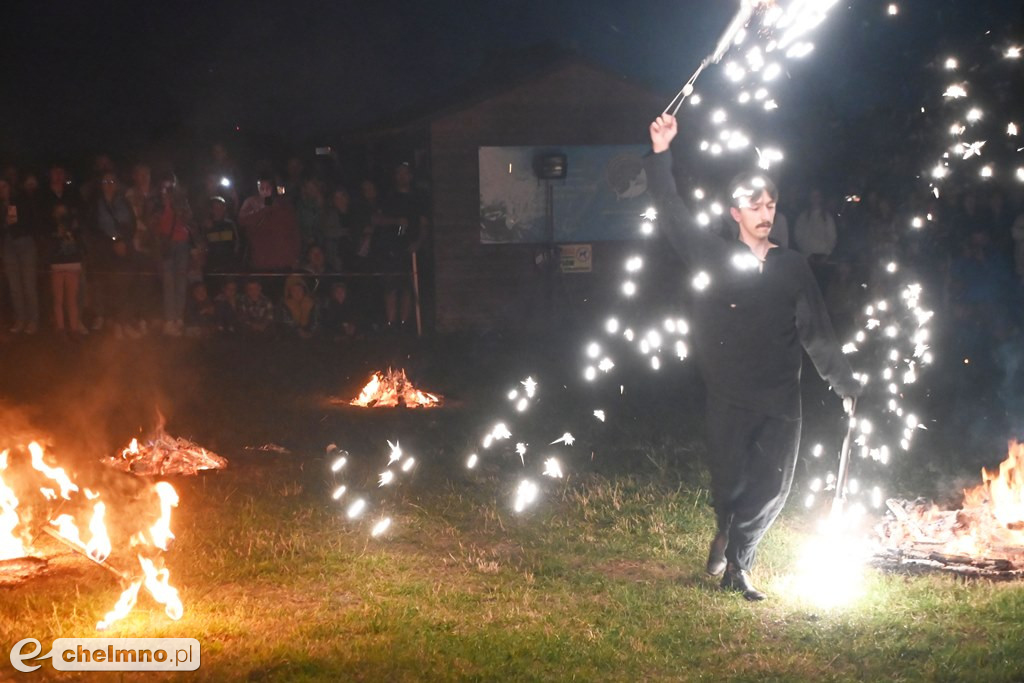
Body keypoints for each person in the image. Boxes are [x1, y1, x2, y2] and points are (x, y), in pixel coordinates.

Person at [645, 114, 860, 601]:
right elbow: (671, 213)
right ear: (734, 212)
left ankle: (739, 565)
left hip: (780, 396)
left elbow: (817, 331)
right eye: (753, 205)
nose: (764, 213)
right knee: (732, 483)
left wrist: (844, 383)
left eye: (770, 205)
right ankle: (726, 528)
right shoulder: (713, 256)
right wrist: (660, 155)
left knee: (770, 487)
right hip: (728, 392)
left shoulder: (792, 266)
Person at [1, 177, 41, 334]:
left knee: (28, 284)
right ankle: (20, 318)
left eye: (3, 186)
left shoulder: (21, 200)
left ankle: (33, 320)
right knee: (14, 286)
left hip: (25, 243)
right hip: (8, 246)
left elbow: (31, 221)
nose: (1, 190)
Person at [238, 175, 301, 276]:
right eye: (262, 188)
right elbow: (242, 220)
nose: (265, 191)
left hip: (283, 262)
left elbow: (294, 232)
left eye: (268, 188)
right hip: (260, 262)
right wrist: (264, 210)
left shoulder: (284, 205)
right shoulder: (251, 202)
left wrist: (295, 257)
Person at [279, 274, 317, 339]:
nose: (297, 293)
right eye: (294, 290)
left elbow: (316, 320)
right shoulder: (284, 305)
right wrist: (299, 331)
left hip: (310, 335)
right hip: (291, 336)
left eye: (299, 290)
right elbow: (286, 323)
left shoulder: (312, 303)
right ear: (289, 292)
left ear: (304, 291)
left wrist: (310, 332)